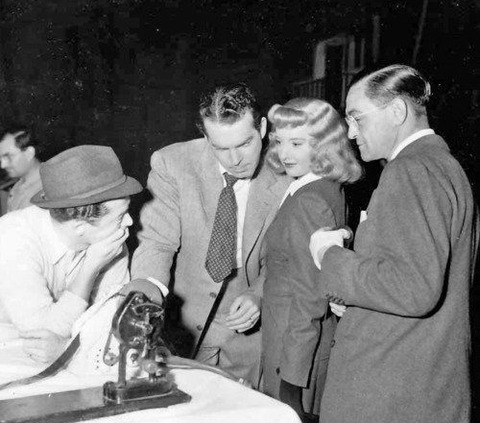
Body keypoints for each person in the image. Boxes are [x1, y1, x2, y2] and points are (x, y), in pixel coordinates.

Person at [309, 64, 479, 423]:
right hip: (430, 404)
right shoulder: (446, 168)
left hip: (385, 412)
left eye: (357, 117)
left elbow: (414, 289)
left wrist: (329, 258)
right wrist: (358, 299)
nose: (350, 132)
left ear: (398, 110)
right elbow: (427, 283)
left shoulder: (411, 171)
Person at [131, 83, 290, 385]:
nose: (235, 159)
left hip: (250, 331)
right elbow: (157, 243)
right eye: (220, 148)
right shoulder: (173, 163)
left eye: (244, 143)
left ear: (262, 128)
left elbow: (285, 254)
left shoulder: (286, 172)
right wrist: (145, 293)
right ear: (206, 138)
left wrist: (259, 293)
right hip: (183, 323)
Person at [261, 98, 361, 423]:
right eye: (279, 141)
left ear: (323, 145)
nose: (284, 153)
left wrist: (291, 379)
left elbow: (309, 298)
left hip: (294, 352)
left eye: (297, 143)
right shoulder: (323, 186)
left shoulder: (309, 200)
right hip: (297, 341)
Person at [0, 144, 142, 364]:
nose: (130, 222)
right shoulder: (14, 237)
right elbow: (41, 335)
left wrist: (69, 348)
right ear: (80, 226)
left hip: (61, 353)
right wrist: (90, 269)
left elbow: (114, 322)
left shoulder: (110, 238)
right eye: (120, 215)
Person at [0, 124, 42, 214]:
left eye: (8, 157)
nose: (2, 165)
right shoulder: (19, 185)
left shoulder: (47, 188)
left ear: (29, 153)